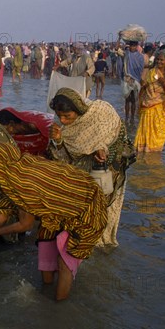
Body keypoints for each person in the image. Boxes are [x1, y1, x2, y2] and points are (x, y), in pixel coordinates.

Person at [0, 142, 107, 301]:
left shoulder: (24, 182)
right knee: (46, 254)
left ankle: (58, 311)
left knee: (64, 262)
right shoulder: (11, 176)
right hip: (55, 212)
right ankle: (45, 299)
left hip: (88, 207)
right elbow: (1, 217)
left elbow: (25, 224)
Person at [47, 88, 135, 247]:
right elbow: (63, 160)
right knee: (83, 214)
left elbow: (118, 132)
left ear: (78, 109)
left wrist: (104, 149)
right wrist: (58, 140)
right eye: (60, 116)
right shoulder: (63, 129)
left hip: (108, 170)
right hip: (82, 175)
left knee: (104, 209)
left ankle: (101, 244)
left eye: (67, 116)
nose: (64, 121)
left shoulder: (101, 111)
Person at [134, 49, 165, 152]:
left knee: (156, 130)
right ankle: (143, 150)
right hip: (147, 104)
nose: (159, 62)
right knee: (145, 130)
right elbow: (146, 87)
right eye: (157, 59)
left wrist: (162, 81)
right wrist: (144, 85)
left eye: (162, 60)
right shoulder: (151, 71)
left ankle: (154, 150)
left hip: (159, 106)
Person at [117, 41, 144, 123]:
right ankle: (127, 117)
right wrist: (119, 37)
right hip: (127, 78)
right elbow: (117, 49)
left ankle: (132, 118)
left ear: (136, 46)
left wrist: (136, 78)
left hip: (136, 79)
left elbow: (140, 67)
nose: (132, 47)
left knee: (133, 100)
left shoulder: (140, 56)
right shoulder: (126, 54)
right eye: (131, 45)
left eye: (134, 45)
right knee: (127, 99)